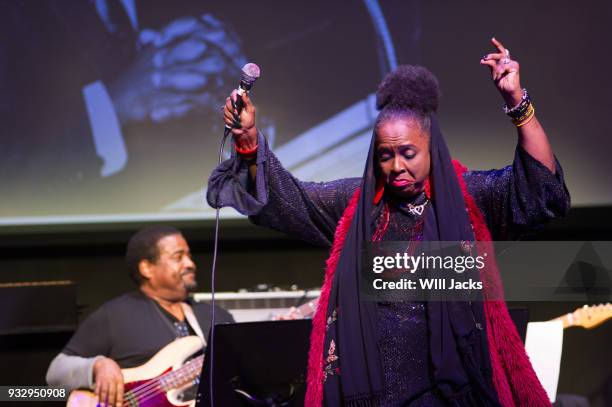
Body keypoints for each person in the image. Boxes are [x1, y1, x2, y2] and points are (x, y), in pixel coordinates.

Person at [208, 37, 570, 406]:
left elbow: (539, 186)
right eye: (385, 155)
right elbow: (290, 199)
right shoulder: (357, 206)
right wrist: (249, 141)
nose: (397, 166)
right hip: (368, 391)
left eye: (408, 153)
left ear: (432, 150)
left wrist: (517, 103)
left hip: (451, 391)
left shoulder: (468, 199)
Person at [46, 225, 234, 407]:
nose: (190, 264)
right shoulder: (115, 315)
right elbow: (56, 372)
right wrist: (98, 365)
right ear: (147, 268)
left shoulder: (216, 315)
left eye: (189, 256)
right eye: (179, 257)